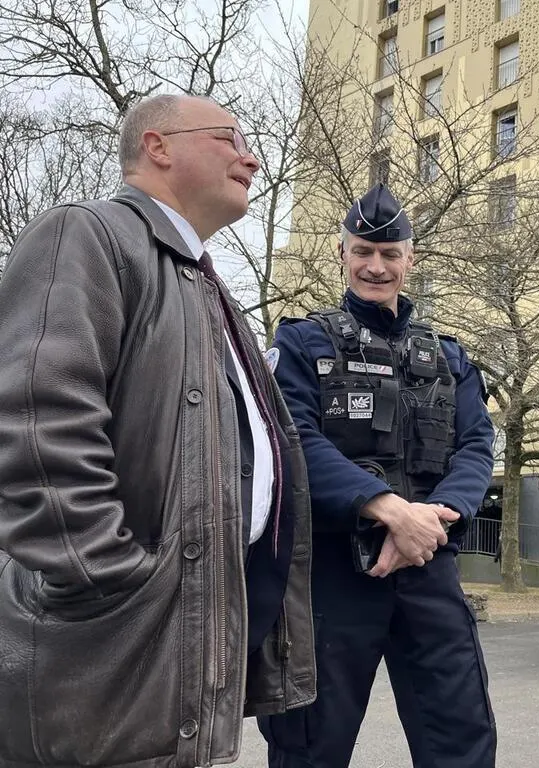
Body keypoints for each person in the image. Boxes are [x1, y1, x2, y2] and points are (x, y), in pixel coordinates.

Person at [0, 94, 315, 767]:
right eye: (230, 138)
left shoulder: (205, 286)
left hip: (176, 645)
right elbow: (35, 422)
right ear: (158, 146)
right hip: (112, 646)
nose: (251, 159)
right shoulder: (85, 234)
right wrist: (118, 582)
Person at [258, 183, 497, 768]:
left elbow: (475, 445)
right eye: (363, 251)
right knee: (310, 745)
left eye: (390, 254)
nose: (376, 266)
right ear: (342, 253)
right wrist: (387, 509)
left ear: (410, 259)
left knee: (461, 738)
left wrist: (431, 520)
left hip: (427, 564)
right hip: (334, 576)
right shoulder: (301, 343)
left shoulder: (450, 358)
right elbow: (293, 440)